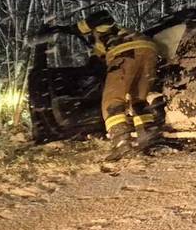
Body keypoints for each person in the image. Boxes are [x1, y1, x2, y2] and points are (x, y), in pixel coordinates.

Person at [32, 10, 160, 160]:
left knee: (112, 101)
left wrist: (68, 29)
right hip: (150, 52)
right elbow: (94, 64)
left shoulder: (105, 27)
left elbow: (102, 15)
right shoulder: (111, 39)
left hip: (125, 52)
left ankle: (122, 144)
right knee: (138, 99)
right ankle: (149, 139)